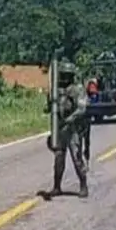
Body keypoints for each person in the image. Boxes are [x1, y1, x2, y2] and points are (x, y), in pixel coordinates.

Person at [46, 61, 89, 199]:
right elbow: (51, 108)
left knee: (77, 158)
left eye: (66, 75)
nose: (64, 78)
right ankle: (56, 187)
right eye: (62, 74)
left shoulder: (77, 89)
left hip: (73, 129)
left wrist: (69, 119)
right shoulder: (56, 90)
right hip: (60, 129)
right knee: (59, 158)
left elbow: (82, 108)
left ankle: (83, 185)